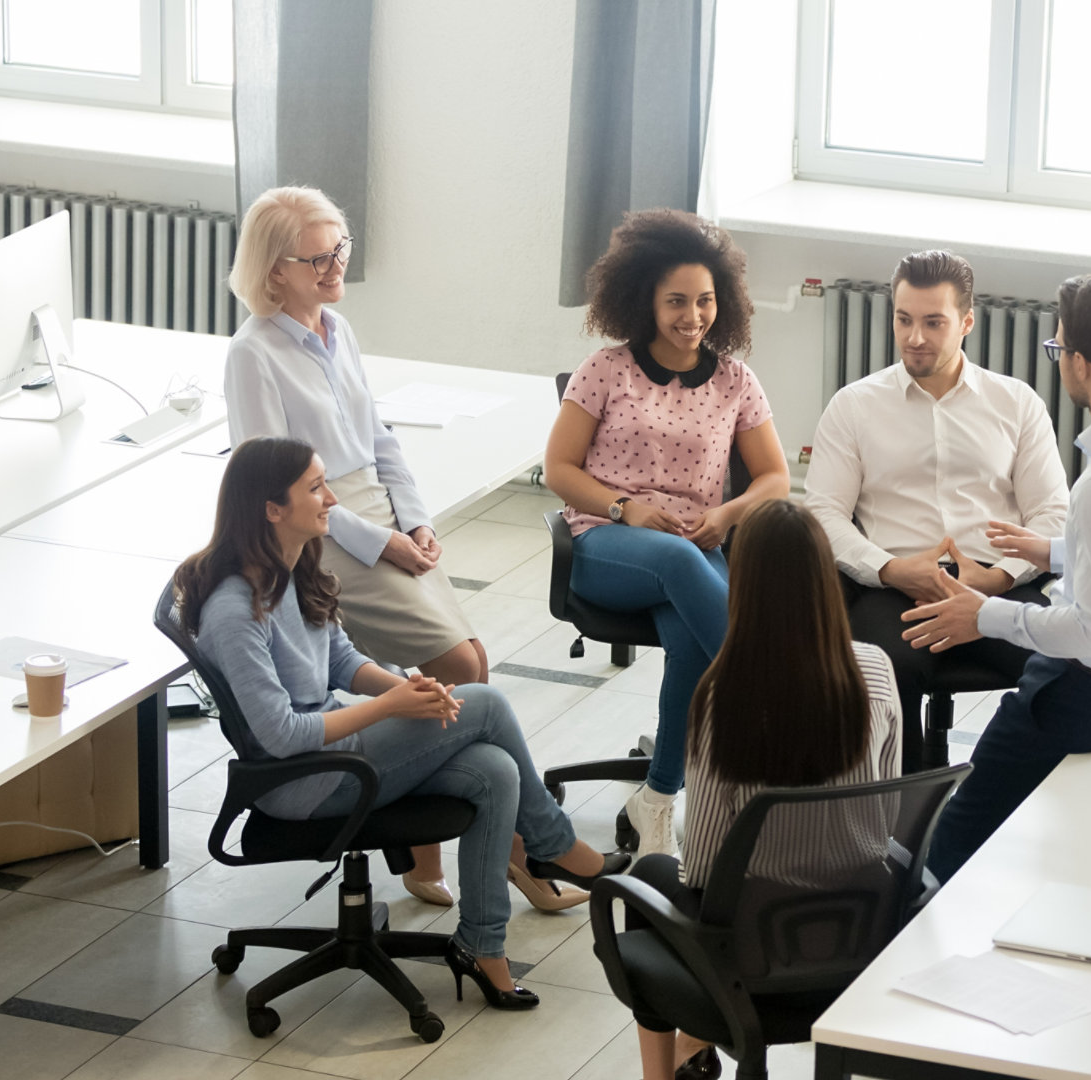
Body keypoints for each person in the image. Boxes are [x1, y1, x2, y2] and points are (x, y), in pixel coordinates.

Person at [172, 436, 628, 1010]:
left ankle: (483, 948)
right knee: (485, 702)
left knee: (492, 769)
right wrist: (394, 707)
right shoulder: (234, 610)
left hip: (336, 744)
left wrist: (413, 692)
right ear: (271, 509)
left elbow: (340, 659)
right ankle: (555, 845)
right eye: (315, 487)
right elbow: (281, 735)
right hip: (301, 780)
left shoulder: (292, 566)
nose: (331, 497)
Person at [225, 186, 531, 910]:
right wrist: (380, 542)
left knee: (472, 659)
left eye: (342, 249)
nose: (337, 266)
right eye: (321, 255)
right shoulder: (253, 356)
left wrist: (417, 521)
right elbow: (273, 488)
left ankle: (427, 852)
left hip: (378, 510)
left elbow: (380, 439)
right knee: (457, 665)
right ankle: (516, 848)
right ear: (276, 271)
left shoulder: (337, 330)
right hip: (321, 530)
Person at [903, 274, 1091, 882]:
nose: (1059, 359)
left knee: (958, 829)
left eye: (1058, 348)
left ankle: (909, 927)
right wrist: (1055, 552)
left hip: (1087, 696)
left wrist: (981, 615)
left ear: (1081, 364)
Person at [622, 500, 902, 1080]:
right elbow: (888, 813)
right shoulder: (875, 671)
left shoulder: (723, 694)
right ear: (826, 582)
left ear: (741, 586)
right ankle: (692, 1051)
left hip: (750, 950)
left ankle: (668, 1069)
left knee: (649, 876)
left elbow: (700, 867)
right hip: (859, 931)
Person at [543, 209, 790, 858]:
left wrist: (727, 515)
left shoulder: (736, 380)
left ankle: (657, 800)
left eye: (705, 301)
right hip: (605, 544)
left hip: (694, 549)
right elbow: (558, 470)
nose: (693, 315)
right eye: (676, 301)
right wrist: (626, 507)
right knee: (683, 569)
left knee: (692, 644)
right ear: (644, 299)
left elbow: (774, 479)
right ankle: (777, 710)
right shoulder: (607, 369)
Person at [806, 249, 1069, 772]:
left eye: (933, 322)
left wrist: (996, 578)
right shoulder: (855, 405)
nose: (915, 338)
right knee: (879, 671)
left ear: (967, 322)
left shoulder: (1016, 403)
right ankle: (897, 826)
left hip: (998, 585)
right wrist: (889, 568)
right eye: (904, 320)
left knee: (1066, 665)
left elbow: (1053, 514)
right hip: (896, 587)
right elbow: (823, 513)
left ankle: (1014, 804)